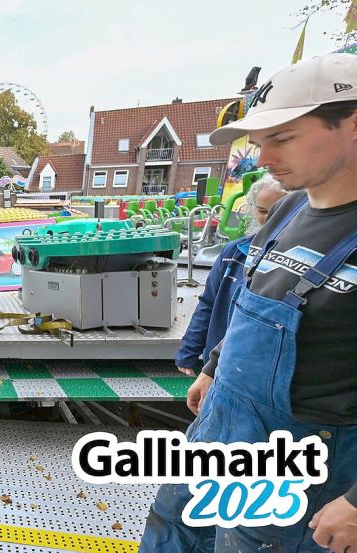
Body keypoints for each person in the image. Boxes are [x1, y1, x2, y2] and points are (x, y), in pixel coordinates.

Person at [141, 53, 357, 552]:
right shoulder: (287, 208)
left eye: (282, 138)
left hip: (302, 469)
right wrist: (214, 369)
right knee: (176, 531)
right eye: (260, 143)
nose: (264, 159)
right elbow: (251, 296)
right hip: (222, 430)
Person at [174, 175, 286, 376]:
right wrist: (189, 349)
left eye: (281, 210)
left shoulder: (298, 261)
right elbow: (208, 302)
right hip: (218, 366)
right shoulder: (233, 254)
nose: (270, 218)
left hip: (264, 371)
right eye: (262, 211)